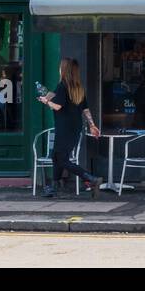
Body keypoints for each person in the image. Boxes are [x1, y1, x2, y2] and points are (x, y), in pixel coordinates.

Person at [38, 58, 103, 198]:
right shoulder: (78, 87)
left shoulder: (62, 85)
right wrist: (92, 125)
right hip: (75, 127)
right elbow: (85, 109)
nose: (58, 69)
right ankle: (53, 187)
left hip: (64, 127)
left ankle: (91, 179)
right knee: (57, 156)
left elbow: (58, 106)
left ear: (64, 70)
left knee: (62, 159)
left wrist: (46, 102)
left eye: (60, 67)